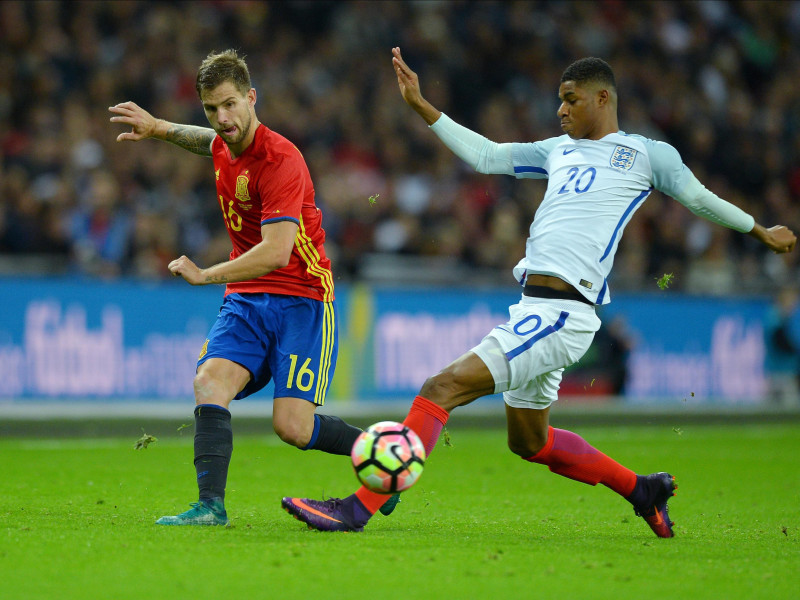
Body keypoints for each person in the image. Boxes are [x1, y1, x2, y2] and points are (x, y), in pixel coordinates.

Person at [281, 47, 797, 538]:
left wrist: (760, 230)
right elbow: (486, 156)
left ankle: (357, 509)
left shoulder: (645, 155)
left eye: (571, 98)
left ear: (603, 99)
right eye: (559, 98)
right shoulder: (557, 151)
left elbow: (699, 198)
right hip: (537, 307)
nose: (560, 109)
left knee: (442, 387)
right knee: (529, 441)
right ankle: (642, 490)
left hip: (563, 312)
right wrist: (422, 107)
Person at [109, 49, 399, 525]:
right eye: (210, 109)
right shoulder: (224, 140)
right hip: (247, 298)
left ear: (251, 97)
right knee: (209, 383)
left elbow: (276, 252)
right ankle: (210, 506)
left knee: (292, 426)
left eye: (229, 105)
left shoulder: (282, 159)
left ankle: (379, 458)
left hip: (301, 297)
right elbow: (209, 142)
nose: (222, 119)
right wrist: (160, 127)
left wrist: (206, 274)